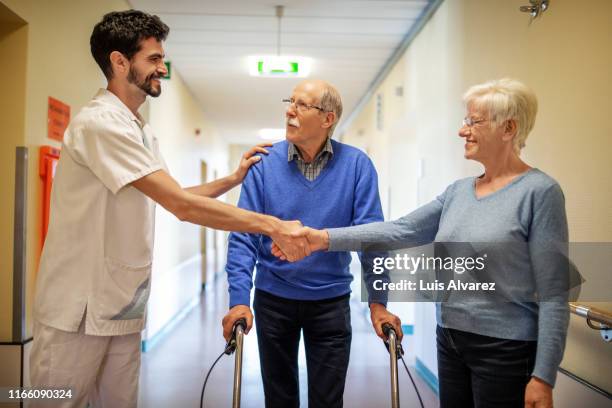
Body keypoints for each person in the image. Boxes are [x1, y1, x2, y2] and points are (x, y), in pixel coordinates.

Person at [30, 10, 308, 408]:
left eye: (162, 58)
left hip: (121, 306)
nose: (163, 67)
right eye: (154, 59)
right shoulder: (101, 124)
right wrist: (273, 226)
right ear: (119, 61)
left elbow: (171, 192)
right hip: (77, 310)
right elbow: (179, 205)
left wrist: (233, 178)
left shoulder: (139, 129)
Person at [274, 79, 570, 408]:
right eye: (465, 120)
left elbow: (555, 293)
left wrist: (543, 377)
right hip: (450, 340)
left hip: (506, 349)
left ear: (509, 128)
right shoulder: (458, 192)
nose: (463, 130)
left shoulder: (540, 193)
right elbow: (398, 230)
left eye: (474, 121)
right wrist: (321, 239)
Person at [222, 79, 402, 408]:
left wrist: (378, 301)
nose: (289, 110)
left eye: (302, 105)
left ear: (328, 118)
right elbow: (243, 236)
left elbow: (371, 238)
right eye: (290, 102)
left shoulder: (356, 165)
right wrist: (238, 299)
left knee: (328, 401)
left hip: (330, 303)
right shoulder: (263, 164)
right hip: (273, 300)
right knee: (279, 399)